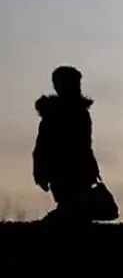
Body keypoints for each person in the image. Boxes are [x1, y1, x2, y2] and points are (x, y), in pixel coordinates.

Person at [33, 66, 101, 223]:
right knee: (72, 210)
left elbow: (85, 144)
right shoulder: (56, 113)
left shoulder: (80, 112)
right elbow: (43, 144)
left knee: (75, 211)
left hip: (79, 170)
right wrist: (40, 170)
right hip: (62, 170)